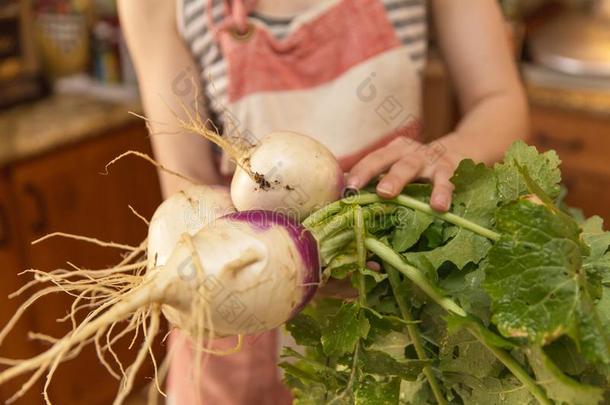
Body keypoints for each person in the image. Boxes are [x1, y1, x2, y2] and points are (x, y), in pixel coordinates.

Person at [118, 0, 528, 403]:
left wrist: (445, 155)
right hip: (240, 301)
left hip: (387, 305)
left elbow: (498, 99)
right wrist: (289, 265)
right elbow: (187, 190)